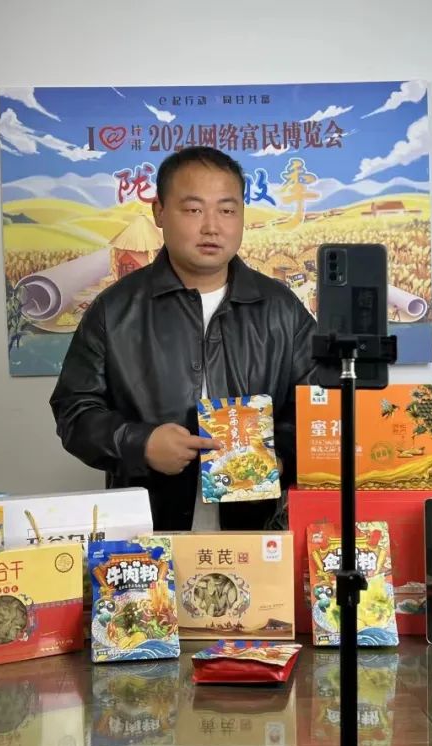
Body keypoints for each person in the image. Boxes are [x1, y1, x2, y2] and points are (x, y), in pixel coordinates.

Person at [50, 146, 315, 531]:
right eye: (193, 209)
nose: (212, 227)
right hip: (148, 530)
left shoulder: (281, 309)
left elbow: (317, 406)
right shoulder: (115, 309)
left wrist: (281, 455)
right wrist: (139, 443)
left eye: (227, 210)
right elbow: (74, 411)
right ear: (159, 212)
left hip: (258, 527)